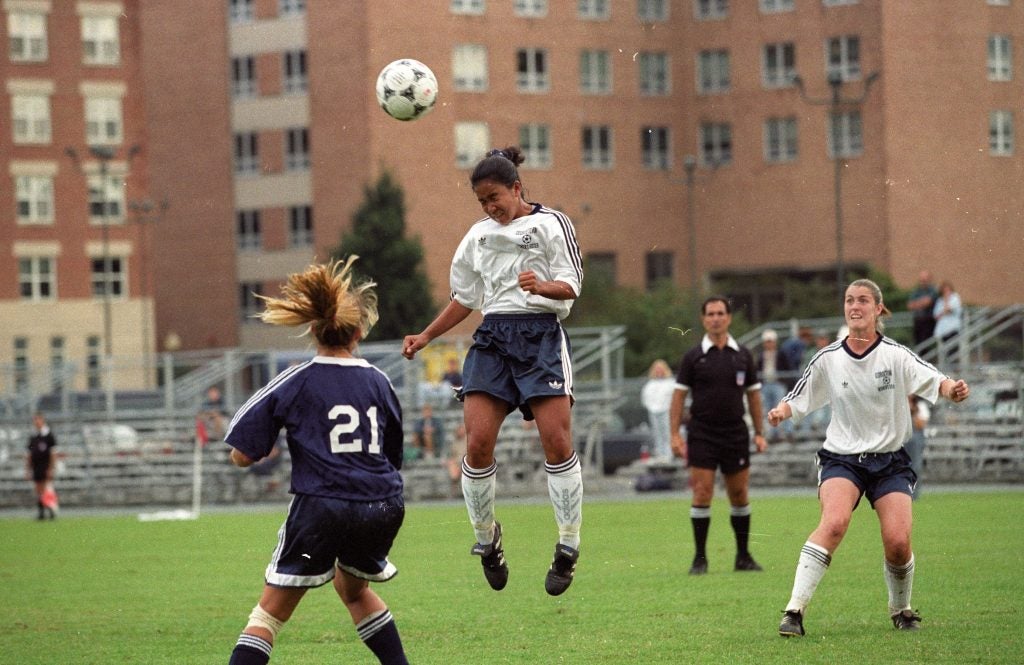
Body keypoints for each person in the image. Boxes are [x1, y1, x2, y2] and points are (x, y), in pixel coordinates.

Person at [402, 145, 584, 596]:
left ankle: (567, 546)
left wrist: (542, 287)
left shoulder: (551, 223)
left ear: (517, 188)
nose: (489, 207)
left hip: (540, 336)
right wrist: (426, 336)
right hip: (493, 340)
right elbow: (465, 298)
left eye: (495, 197)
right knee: (478, 442)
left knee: (557, 443)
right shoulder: (477, 236)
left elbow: (572, 286)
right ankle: (486, 540)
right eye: (482, 201)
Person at [224, 258, 408, 665]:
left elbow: (241, 453)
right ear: (358, 333)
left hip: (324, 505)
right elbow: (393, 456)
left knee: (268, 614)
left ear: (311, 329)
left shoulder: (297, 378)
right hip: (382, 503)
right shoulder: (380, 381)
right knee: (353, 590)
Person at [768, 278, 970, 638]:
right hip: (842, 459)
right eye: (849, 300)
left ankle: (901, 609)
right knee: (833, 524)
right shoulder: (829, 358)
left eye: (863, 300)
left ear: (878, 309)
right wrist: (782, 411)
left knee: (897, 542)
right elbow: (799, 395)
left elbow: (933, 379)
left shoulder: (894, 353)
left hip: (890, 460)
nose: (854, 306)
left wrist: (951, 389)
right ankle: (793, 611)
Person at [668, 296, 768, 576]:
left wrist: (759, 433)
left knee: (739, 493)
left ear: (729, 318)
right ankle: (700, 559)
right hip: (702, 433)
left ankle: (743, 556)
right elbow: (678, 397)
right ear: (703, 319)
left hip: (735, 433)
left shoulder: (743, 355)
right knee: (702, 493)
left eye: (720, 313)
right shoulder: (693, 357)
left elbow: (754, 396)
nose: (715, 318)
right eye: (710, 314)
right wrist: (674, 434)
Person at [756, 330, 797, 441]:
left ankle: (786, 432)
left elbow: (788, 368)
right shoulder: (761, 356)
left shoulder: (781, 354)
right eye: (767, 342)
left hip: (778, 384)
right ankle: (774, 433)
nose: (769, 344)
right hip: (766, 384)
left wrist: (785, 382)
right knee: (769, 409)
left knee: (780, 408)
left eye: (770, 341)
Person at [640, 359, 677, 460]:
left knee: (667, 432)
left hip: (666, 410)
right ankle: (660, 453)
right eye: (657, 369)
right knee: (657, 433)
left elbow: (674, 398)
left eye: (660, 369)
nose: (659, 371)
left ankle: (668, 454)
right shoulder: (650, 384)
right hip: (653, 411)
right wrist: (651, 407)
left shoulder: (671, 383)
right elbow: (645, 398)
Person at [26, 412, 58, 521]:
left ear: (42, 420)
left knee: (45, 489)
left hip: (45, 465)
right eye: (35, 420)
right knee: (38, 490)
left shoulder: (49, 435)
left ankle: (50, 510)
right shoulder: (33, 436)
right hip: (36, 466)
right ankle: (42, 512)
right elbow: (29, 454)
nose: (36, 422)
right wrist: (28, 469)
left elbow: (53, 454)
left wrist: (50, 468)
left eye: (38, 420)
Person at [904, 395, 930, 501]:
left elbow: (920, 424)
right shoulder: (899, 404)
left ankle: (914, 494)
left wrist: (913, 411)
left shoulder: (921, 406)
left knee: (915, 467)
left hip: (915, 440)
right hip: (902, 439)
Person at [906, 270, 939, 347]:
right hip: (918, 320)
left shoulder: (933, 290)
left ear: (929, 280)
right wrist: (922, 302)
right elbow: (909, 305)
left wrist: (916, 303)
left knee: (926, 344)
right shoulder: (916, 291)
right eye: (921, 280)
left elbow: (928, 302)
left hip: (928, 321)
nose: (922, 282)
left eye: (924, 280)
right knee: (917, 343)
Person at [932, 280, 962, 362]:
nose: (946, 292)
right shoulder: (939, 301)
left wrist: (945, 305)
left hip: (953, 329)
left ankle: (955, 369)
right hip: (943, 330)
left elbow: (949, 309)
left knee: (954, 350)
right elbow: (936, 315)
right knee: (945, 351)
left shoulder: (955, 297)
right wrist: (944, 310)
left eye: (947, 290)